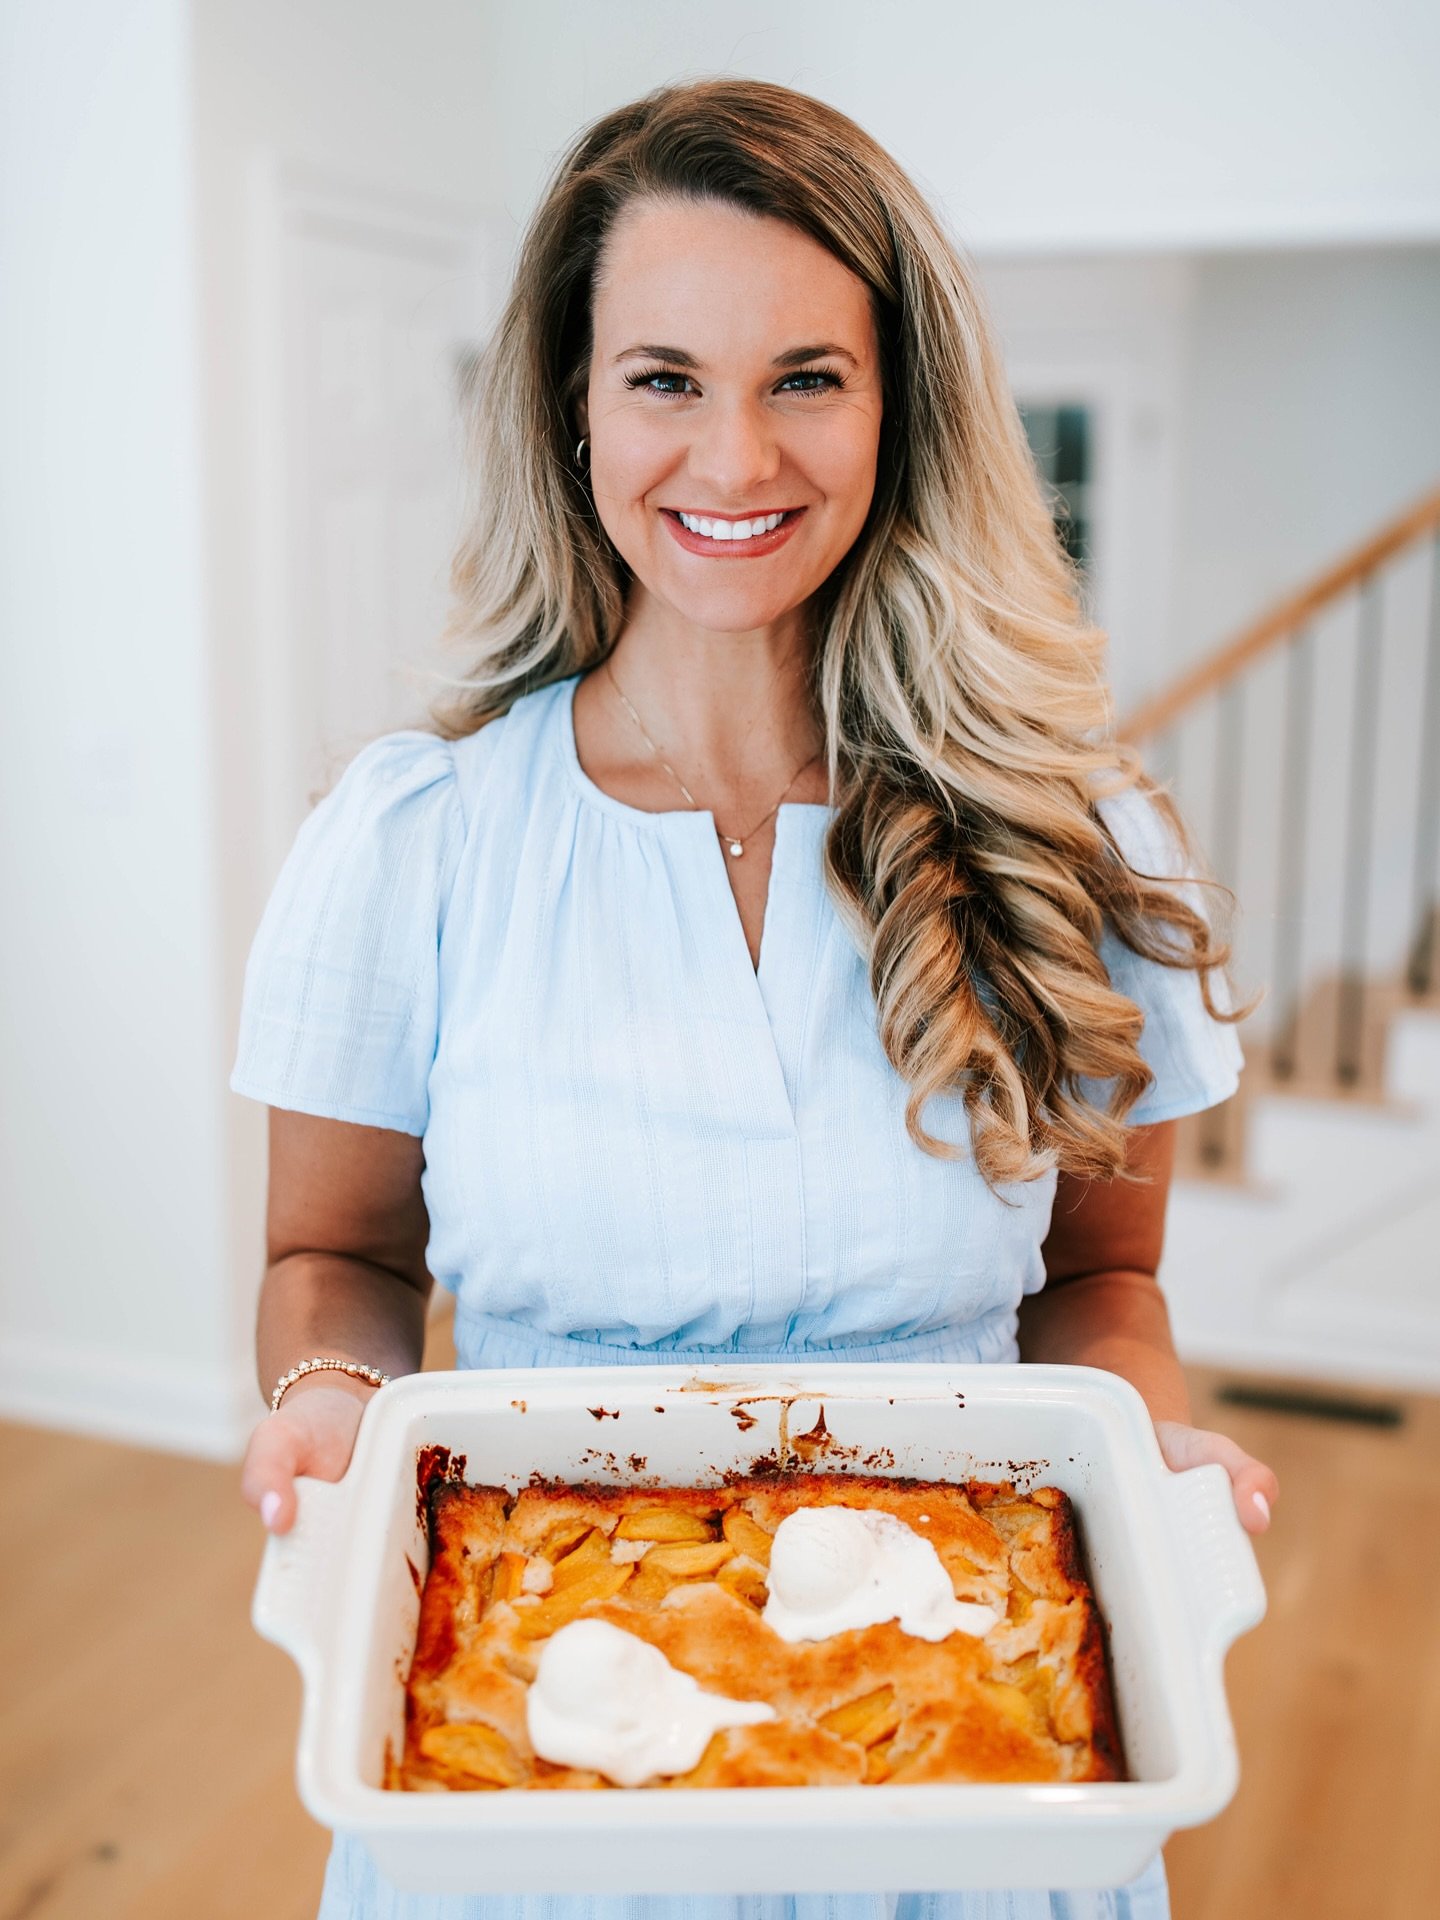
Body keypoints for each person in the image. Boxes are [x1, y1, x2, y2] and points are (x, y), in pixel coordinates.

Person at [233, 78, 1277, 1920]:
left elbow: (1106, 1284)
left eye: (806, 375)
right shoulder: (416, 840)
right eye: (664, 379)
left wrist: (1138, 1449)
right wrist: (334, 1401)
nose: (734, 461)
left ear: (900, 407)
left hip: (971, 1722)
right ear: (570, 408)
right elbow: (340, 1262)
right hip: (528, 1713)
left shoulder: (1075, 842)